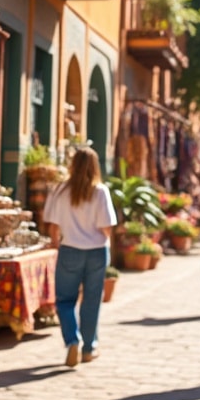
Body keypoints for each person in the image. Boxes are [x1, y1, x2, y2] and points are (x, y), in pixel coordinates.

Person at [43, 146, 118, 368]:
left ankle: (72, 340)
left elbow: (53, 227)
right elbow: (107, 227)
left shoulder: (60, 190)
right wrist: (108, 246)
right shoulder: (100, 191)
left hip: (70, 249)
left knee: (65, 300)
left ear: (73, 165)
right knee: (92, 300)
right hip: (96, 251)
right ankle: (88, 348)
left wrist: (58, 246)